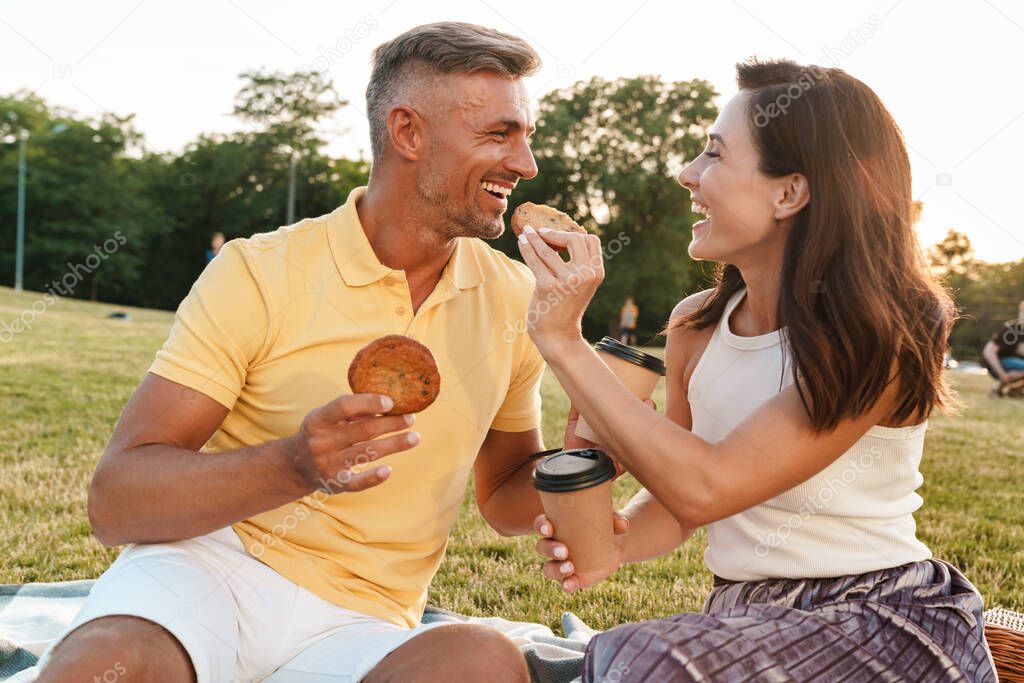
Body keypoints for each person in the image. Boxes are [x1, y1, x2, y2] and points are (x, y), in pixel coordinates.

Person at [35, 22, 549, 683]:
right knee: (108, 665)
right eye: (499, 134)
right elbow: (117, 501)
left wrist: (599, 452)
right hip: (205, 575)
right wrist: (296, 463)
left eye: (526, 136)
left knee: (482, 661)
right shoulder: (258, 270)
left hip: (363, 624)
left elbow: (506, 495)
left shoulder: (515, 297)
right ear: (408, 132)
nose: (525, 163)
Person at [517, 59, 996, 681]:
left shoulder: (886, 330)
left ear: (789, 192)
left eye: (714, 155)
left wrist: (562, 337)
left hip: (886, 620)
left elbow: (707, 484)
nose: (688, 174)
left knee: (638, 657)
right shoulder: (696, 325)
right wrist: (616, 541)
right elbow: (682, 501)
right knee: (634, 657)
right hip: (745, 617)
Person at [981, 299, 1024, 397]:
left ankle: (1015, 390)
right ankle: (997, 388)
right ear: (1020, 313)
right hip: (997, 365)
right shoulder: (1011, 329)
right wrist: (1002, 374)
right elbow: (988, 351)